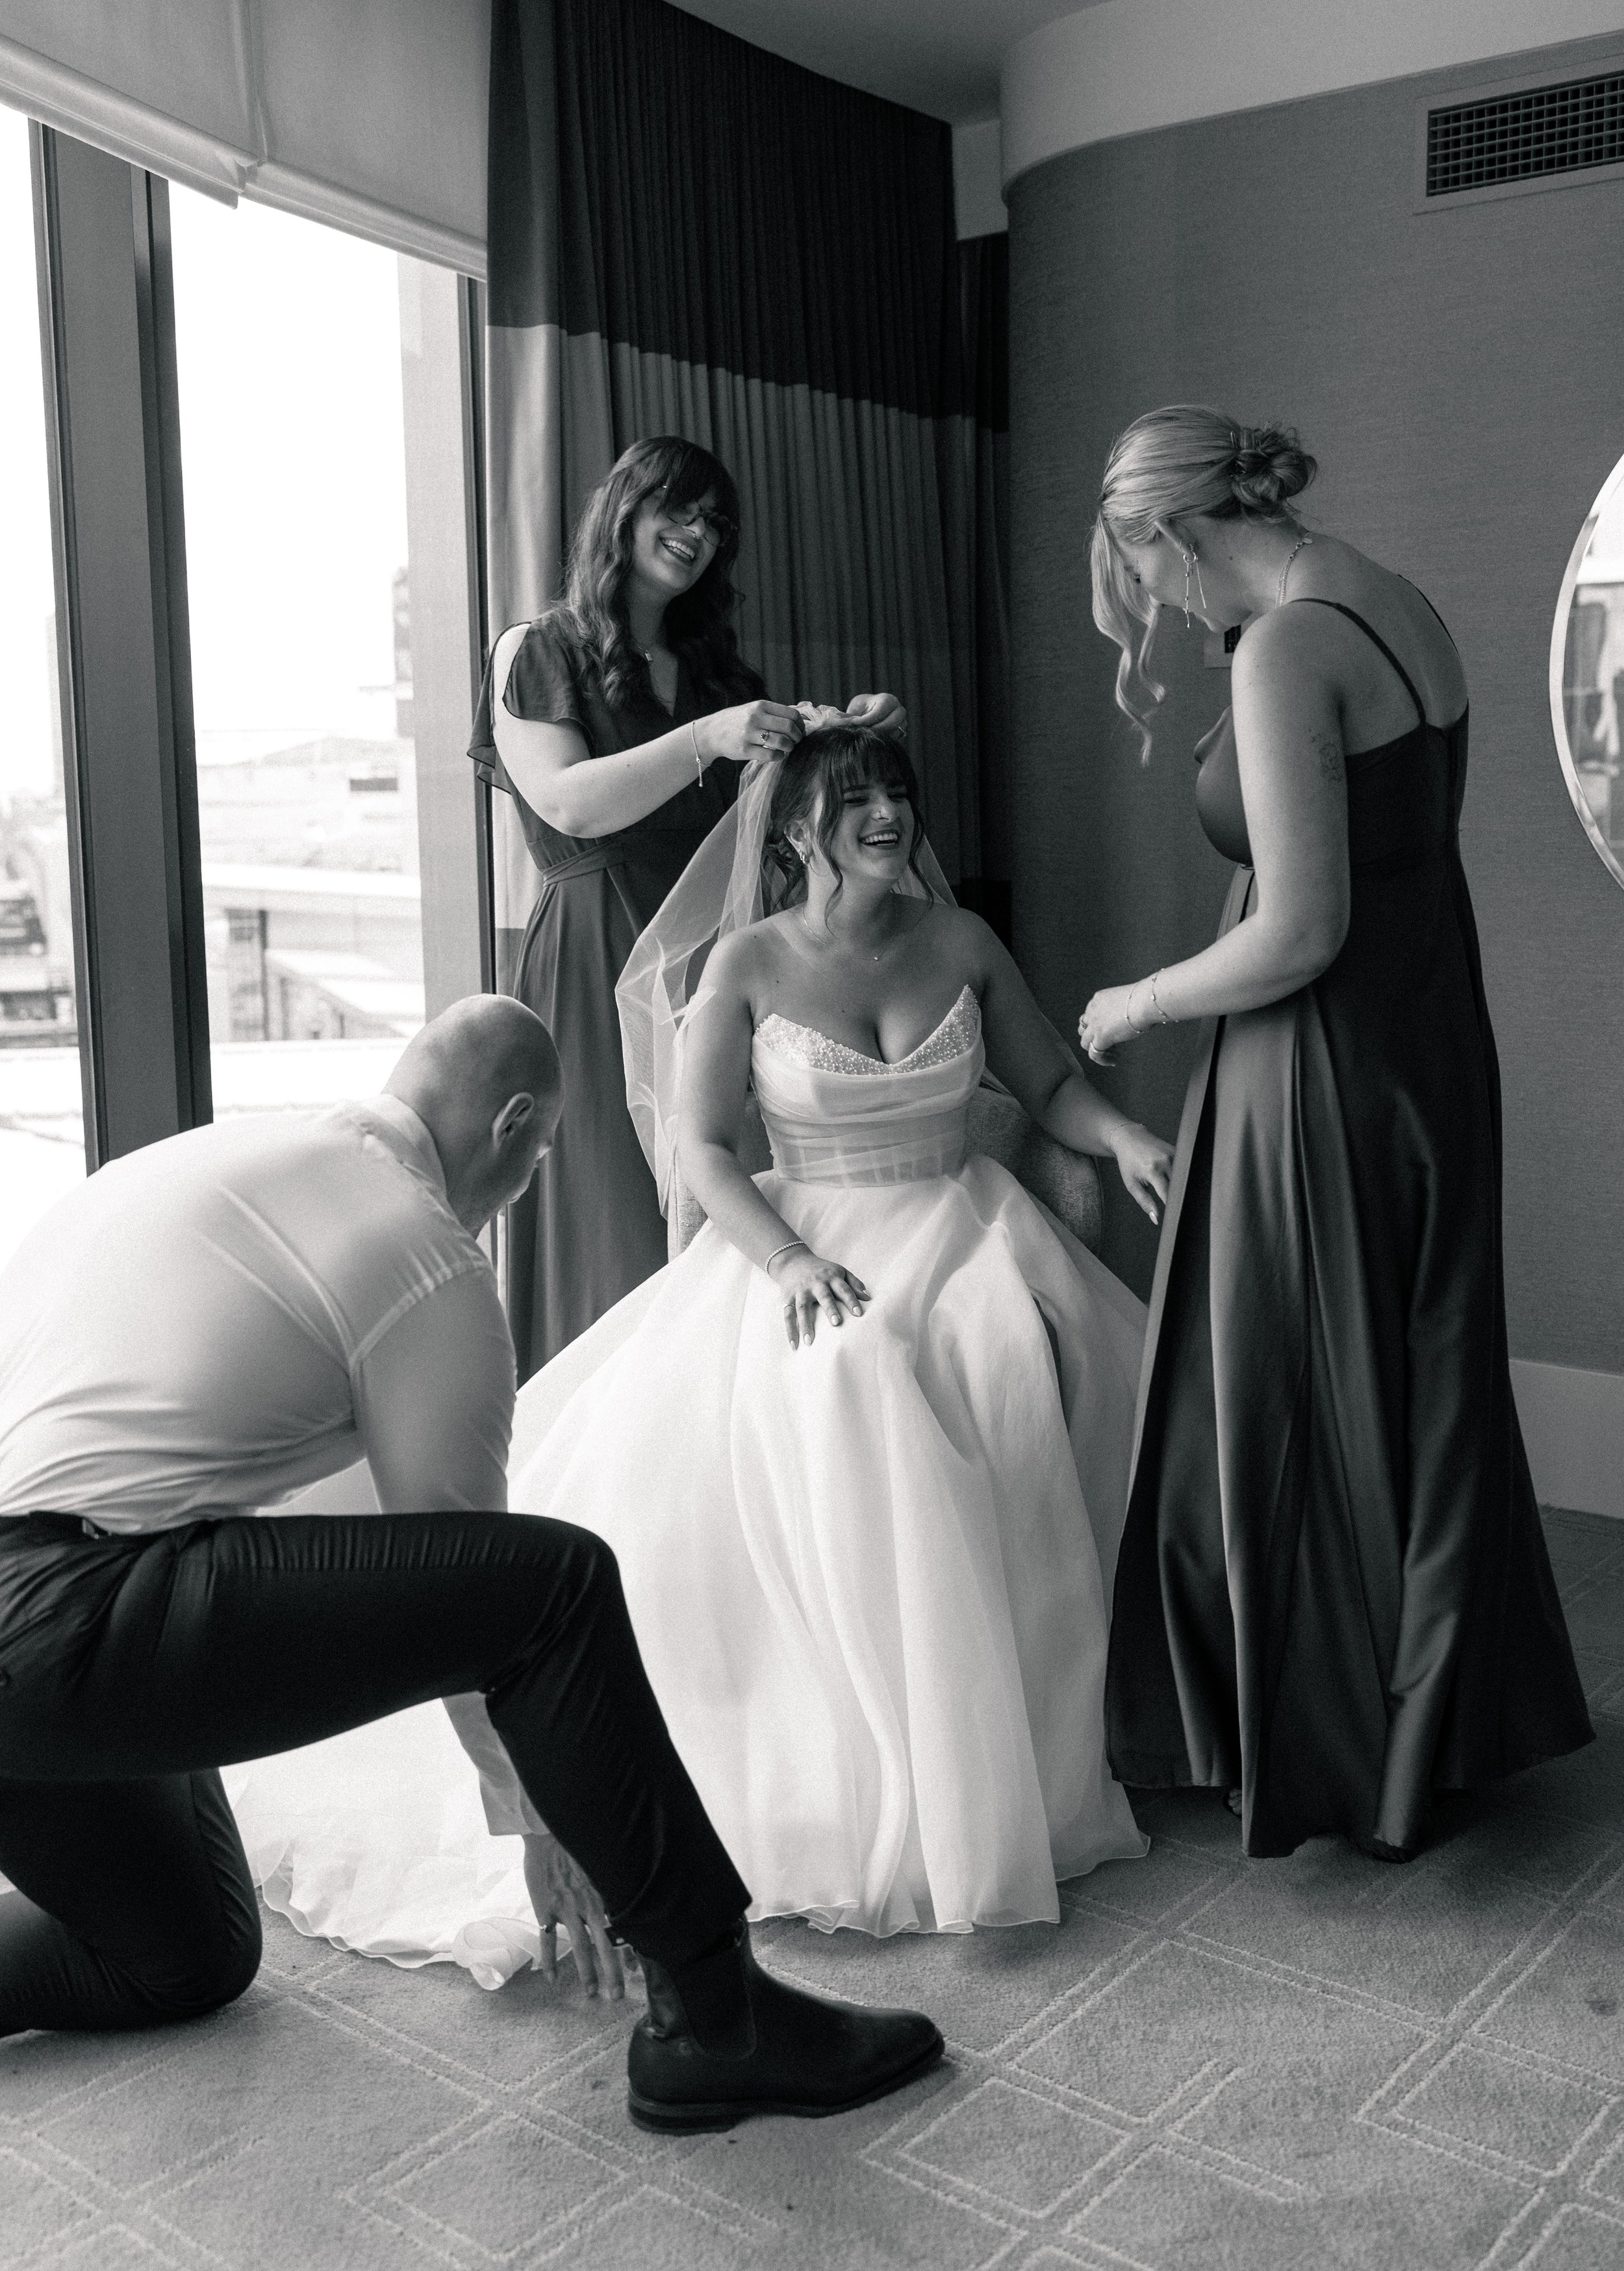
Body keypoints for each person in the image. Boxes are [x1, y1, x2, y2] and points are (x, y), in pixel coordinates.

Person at [225, 725, 1173, 1962]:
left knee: (1016, 1363)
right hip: (803, 1233)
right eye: (855, 796)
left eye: (897, 788)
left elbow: (1048, 1085)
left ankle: (1035, 1741)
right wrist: (787, 1257)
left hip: (962, 1222)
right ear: (794, 831)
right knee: (852, 1375)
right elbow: (705, 1152)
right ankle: (875, 1770)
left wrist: (1123, 1138)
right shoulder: (748, 963)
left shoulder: (964, 943)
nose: (887, 812)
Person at [0, 995, 943, 2134]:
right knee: (550, 1586)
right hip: (57, 1611)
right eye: (537, 1155)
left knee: (189, 1954)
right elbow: (477, 1602)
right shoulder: (417, 1250)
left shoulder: (228, 1161)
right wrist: (542, 1824)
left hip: (59, 1612)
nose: (525, 1185)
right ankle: (717, 2015)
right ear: (511, 1127)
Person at [1079, 404, 1592, 1862]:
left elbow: (1300, 928)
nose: (1158, 609)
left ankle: (1331, 1746)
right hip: (1427, 1027)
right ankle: (1432, 1722)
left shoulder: (1289, 646)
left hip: (1318, 1053)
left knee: (1292, 1379)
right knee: (1407, 1368)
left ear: (1171, 533)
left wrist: (1135, 1000)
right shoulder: (1393, 601)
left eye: (1142, 570)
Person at [470, 436, 901, 1377]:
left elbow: (776, 833)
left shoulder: (720, 676)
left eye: (716, 524)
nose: (699, 534)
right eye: (681, 508)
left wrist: (839, 740)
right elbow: (570, 799)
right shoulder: (537, 649)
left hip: (719, 957)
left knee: (719, 1208)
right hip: (596, 948)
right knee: (614, 1215)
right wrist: (708, 738)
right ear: (623, 508)